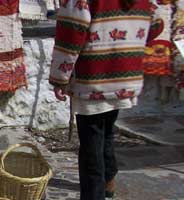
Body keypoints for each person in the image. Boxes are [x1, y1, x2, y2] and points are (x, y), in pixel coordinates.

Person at [50, 0, 163, 199]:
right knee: (106, 131)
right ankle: (109, 181)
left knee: (91, 148)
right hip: (125, 76)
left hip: (94, 78)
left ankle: (96, 193)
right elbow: (157, 23)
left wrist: (59, 78)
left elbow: (71, 34)